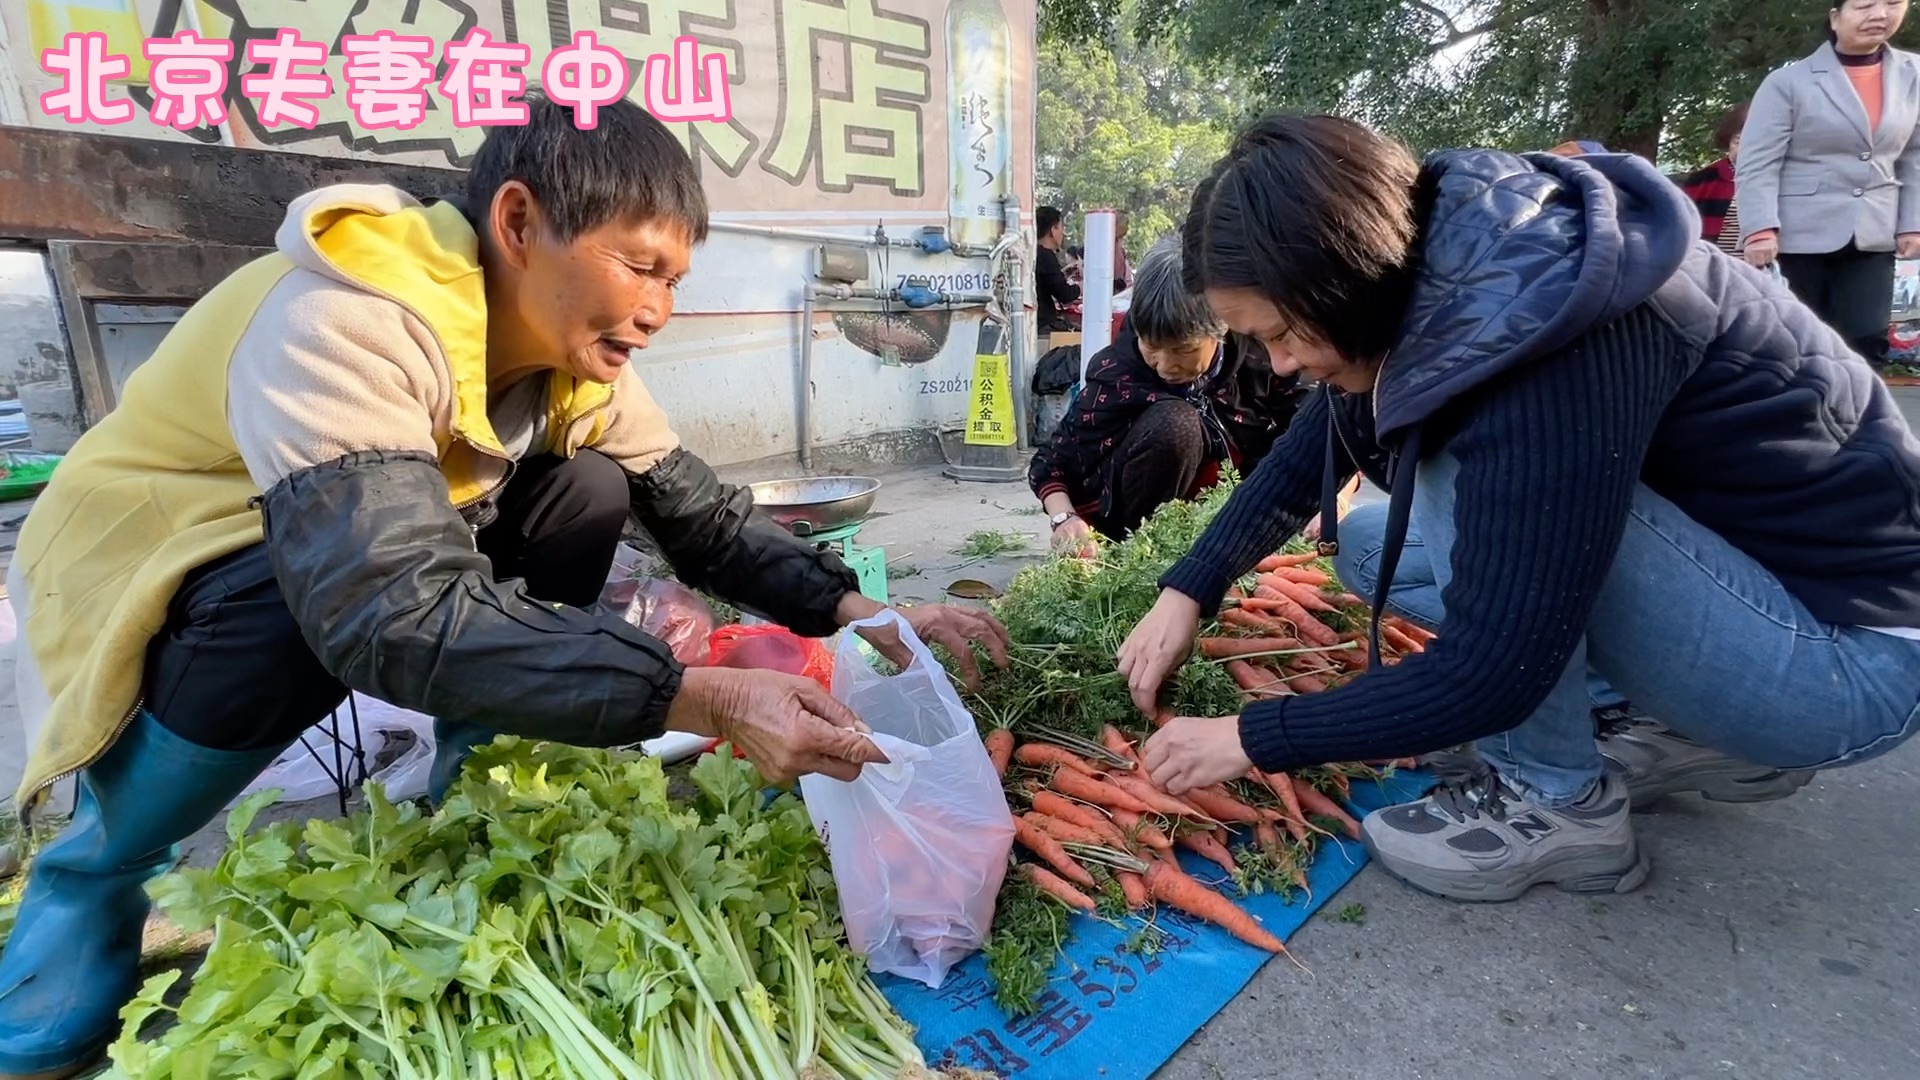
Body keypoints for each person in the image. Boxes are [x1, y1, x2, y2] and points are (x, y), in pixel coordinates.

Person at [0, 97, 1010, 1080]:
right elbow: (381, 608)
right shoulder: (346, 317)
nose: (657, 309)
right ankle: (88, 894)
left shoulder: (576, 362)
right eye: (638, 267)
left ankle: (475, 787)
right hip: (160, 561)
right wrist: (688, 693)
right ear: (520, 222)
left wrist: (858, 608)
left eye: (674, 278)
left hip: (357, 554)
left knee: (585, 485)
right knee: (294, 608)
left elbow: (698, 513)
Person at [1118, 114, 1920, 906]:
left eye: (1285, 334)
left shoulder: (1547, 336)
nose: (1282, 365)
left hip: (1847, 665)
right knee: (1366, 543)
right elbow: (1321, 437)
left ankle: (1557, 799)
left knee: (1453, 468)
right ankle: (1669, 723)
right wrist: (1192, 584)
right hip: (1757, 593)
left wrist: (1250, 737)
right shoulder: (1466, 266)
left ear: (1345, 280)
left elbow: (1494, 670)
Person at [1030, 238, 1307, 546]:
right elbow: (1051, 462)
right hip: (1136, 527)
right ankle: (1143, 550)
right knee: (1177, 424)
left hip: (1236, 517)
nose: (1164, 365)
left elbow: (1322, 426)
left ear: (1221, 327)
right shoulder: (1117, 372)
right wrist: (1065, 519)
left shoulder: (1262, 358)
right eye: (1151, 346)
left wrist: (1333, 499)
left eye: (1182, 350)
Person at [1737, 0, 1920, 369]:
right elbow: (1758, 162)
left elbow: (1915, 155)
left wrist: (1913, 221)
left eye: (1893, 4)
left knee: (1865, 345)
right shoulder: (1788, 82)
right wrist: (1758, 229)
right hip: (1795, 236)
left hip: (1875, 232)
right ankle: (1790, 424)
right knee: (1794, 345)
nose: (1879, 14)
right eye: (1865, 5)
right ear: (1835, 17)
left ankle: (1858, 425)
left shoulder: (1915, 74)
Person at [1678, 104, 1750, 254]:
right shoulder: (1703, 179)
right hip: (1712, 266)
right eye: (1737, 140)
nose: (1743, 148)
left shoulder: (1785, 179)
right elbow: (1681, 227)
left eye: (1752, 142)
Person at [1034, 205, 1081, 333]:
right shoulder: (1045, 256)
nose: (1063, 233)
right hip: (1043, 322)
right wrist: (1080, 287)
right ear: (1053, 229)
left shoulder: (1034, 253)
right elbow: (1064, 294)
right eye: (1061, 227)